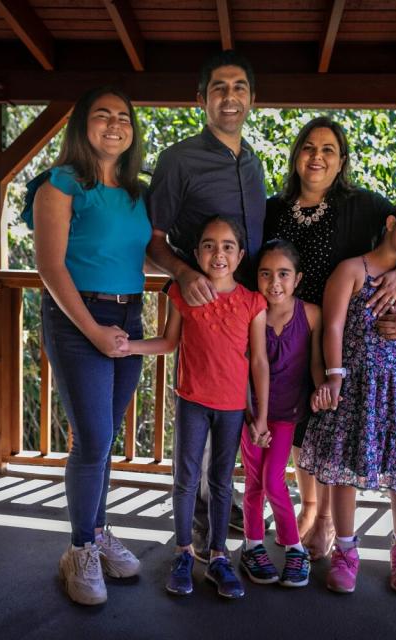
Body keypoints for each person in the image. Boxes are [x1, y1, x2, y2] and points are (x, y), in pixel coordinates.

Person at [263, 116, 396, 560]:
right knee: (299, 423)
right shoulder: (272, 209)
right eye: (308, 147)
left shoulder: (363, 206)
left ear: (341, 162)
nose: (316, 157)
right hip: (287, 332)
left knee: (325, 421)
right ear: (296, 154)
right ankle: (309, 509)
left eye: (328, 150)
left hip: (339, 334)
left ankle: (322, 522)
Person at [22, 86, 149, 606]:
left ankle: (96, 533)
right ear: (82, 126)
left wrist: (190, 273)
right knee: (93, 439)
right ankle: (79, 548)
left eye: (124, 116)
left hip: (131, 314)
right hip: (79, 318)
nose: (115, 124)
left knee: (107, 435)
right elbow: (50, 267)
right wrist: (94, 331)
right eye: (103, 115)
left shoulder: (139, 190)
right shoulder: (61, 184)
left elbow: (149, 250)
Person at [146, 49, 265, 561]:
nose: (230, 96)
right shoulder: (178, 160)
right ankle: (196, 541)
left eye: (239, 87)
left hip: (250, 311)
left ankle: (229, 512)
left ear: (251, 99)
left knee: (241, 416)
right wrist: (183, 270)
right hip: (198, 309)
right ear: (202, 98)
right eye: (219, 87)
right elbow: (152, 241)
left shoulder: (255, 162)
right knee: (198, 427)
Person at [301, 195, 396, 594]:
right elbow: (330, 328)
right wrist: (333, 377)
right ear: (390, 222)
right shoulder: (351, 270)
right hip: (355, 386)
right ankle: (345, 550)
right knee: (344, 469)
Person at [125, 216, 269, 600]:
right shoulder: (182, 295)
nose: (217, 253)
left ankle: (219, 556)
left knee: (222, 482)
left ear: (240, 256)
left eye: (226, 246)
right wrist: (129, 346)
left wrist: (262, 416)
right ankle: (183, 552)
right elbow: (169, 342)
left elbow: (258, 362)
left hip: (232, 407)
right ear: (196, 253)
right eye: (208, 245)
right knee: (186, 479)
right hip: (191, 400)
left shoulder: (253, 302)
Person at [238, 239, 323, 588]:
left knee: (273, 479)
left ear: (297, 278)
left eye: (283, 274)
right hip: (250, 413)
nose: (275, 281)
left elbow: (316, 361)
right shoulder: (250, 309)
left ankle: (294, 549)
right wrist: (248, 413)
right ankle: (253, 546)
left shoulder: (311, 313)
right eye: (266, 273)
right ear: (256, 277)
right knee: (254, 482)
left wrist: (325, 388)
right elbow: (242, 365)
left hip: (286, 413)